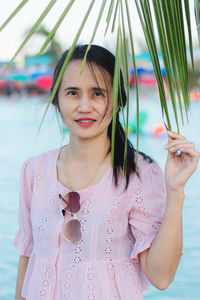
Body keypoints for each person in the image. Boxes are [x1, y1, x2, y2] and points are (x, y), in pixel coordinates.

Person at [14, 44, 200, 300]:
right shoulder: (34, 170)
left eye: (97, 93)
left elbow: (161, 277)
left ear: (117, 101)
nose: (84, 106)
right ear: (56, 99)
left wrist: (176, 192)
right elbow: (28, 259)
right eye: (72, 93)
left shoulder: (139, 174)